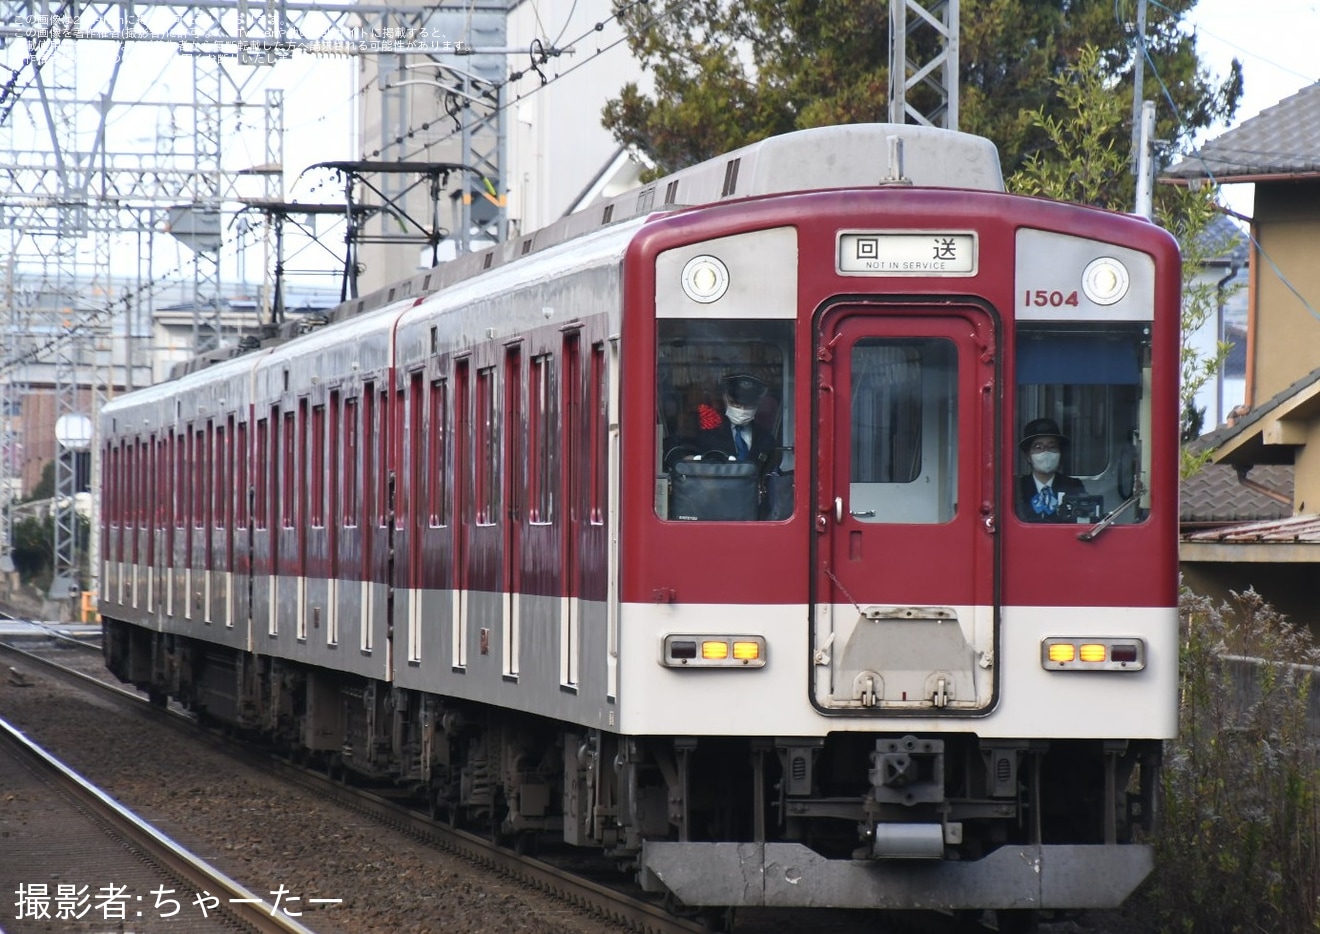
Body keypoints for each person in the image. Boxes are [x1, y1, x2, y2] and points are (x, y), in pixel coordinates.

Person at [1017, 418, 1086, 522]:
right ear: (1028, 456)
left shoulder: (1073, 486)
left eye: (1052, 446)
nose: (1046, 452)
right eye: (1038, 447)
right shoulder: (1018, 488)